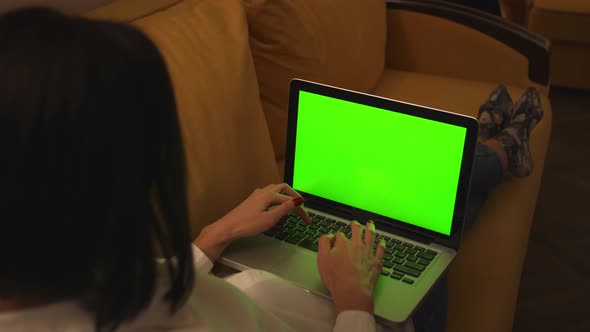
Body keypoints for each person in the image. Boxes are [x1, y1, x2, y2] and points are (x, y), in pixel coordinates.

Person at [0, 7, 544, 332]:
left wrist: (213, 238)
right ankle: (497, 151)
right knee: (421, 233)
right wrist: (354, 305)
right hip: (348, 315)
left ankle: (495, 150)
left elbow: (153, 288)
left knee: (407, 209)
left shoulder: (65, 271)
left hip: (266, 284)